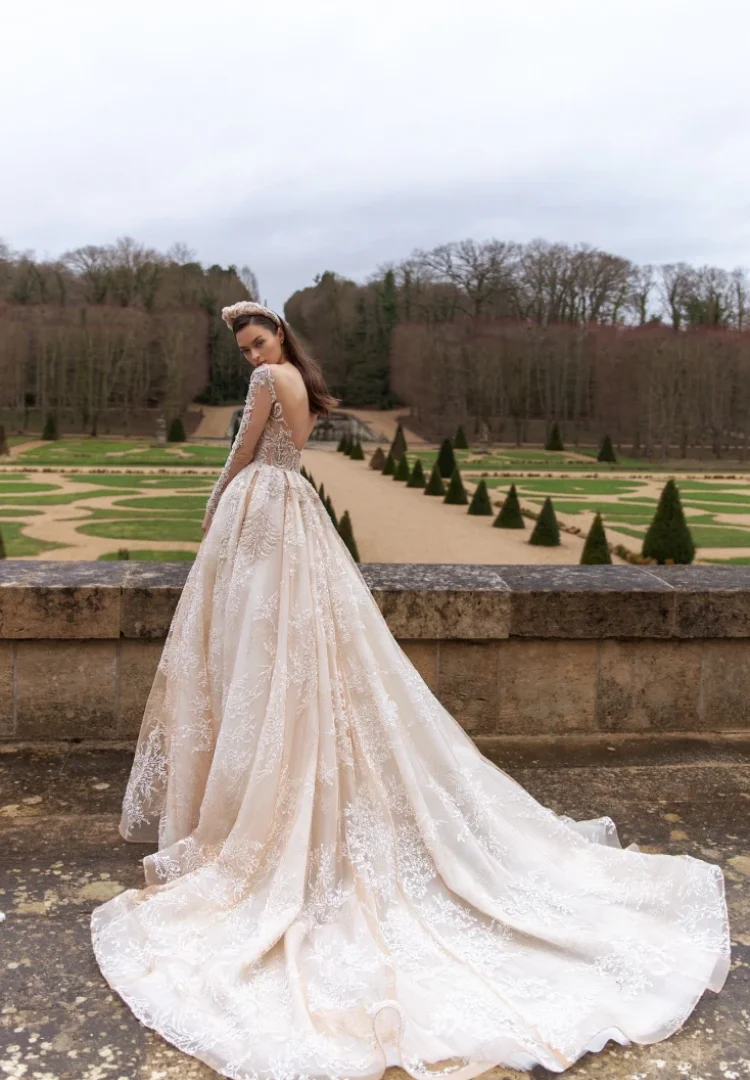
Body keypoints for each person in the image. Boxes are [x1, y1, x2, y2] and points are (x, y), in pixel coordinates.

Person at [90, 301, 731, 1080]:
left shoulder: (267, 384)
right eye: (246, 347)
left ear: (278, 336)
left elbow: (246, 455)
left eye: (258, 340)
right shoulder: (301, 381)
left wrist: (215, 498)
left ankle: (263, 797)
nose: (252, 355)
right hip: (295, 513)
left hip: (262, 509)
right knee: (292, 651)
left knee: (263, 647)